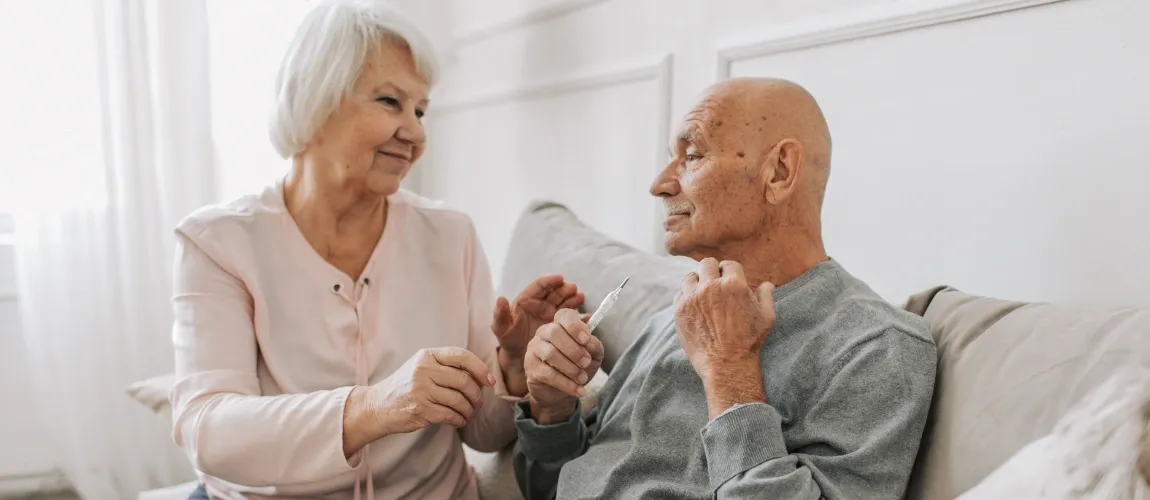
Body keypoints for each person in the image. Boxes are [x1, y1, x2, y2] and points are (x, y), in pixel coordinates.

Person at [169, 1, 583, 499]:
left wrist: (514, 369)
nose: (415, 132)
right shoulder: (218, 242)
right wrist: (375, 406)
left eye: (421, 109)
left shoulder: (451, 236)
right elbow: (208, 429)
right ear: (315, 102)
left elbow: (482, 432)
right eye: (390, 101)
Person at [512, 78, 939, 499]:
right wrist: (552, 411)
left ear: (779, 171)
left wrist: (730, 370)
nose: (659, 184)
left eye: (692, 156)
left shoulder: (878, 348)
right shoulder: (671, 316)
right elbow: (549, 487)